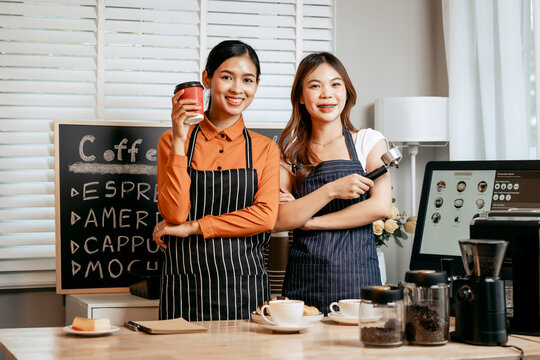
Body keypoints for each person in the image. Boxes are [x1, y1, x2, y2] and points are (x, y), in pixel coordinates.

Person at [152, 40, 280, 321]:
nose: (237, 89)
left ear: (257, 85)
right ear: (206, 79)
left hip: (245, 286)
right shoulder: (170, 142)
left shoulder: (265, 148)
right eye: (226, 77)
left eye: (247, 80)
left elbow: (265, 218)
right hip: (185, 288)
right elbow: (174, 214)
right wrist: (179, 140)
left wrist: (195, 227)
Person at [275, 52, 392, 315]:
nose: (327, 94)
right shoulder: (289, 153)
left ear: (347, 93)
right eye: (315, 86)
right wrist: (332, 190)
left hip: (357, 279)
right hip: (303, 280)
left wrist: (308, 221)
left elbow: (379, 207)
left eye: (335, 84)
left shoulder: (368, 142)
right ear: (301, 98)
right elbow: (279, 219)